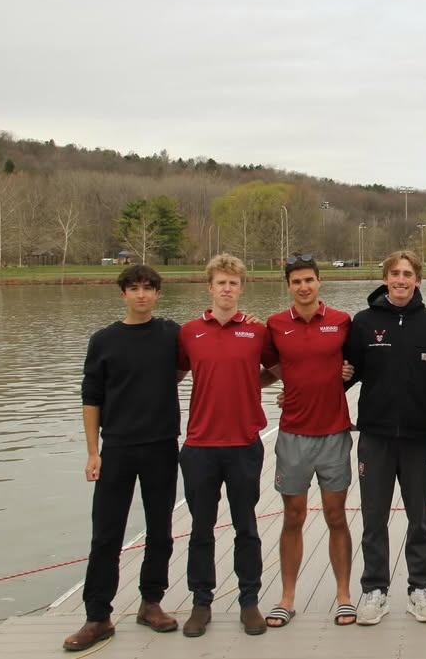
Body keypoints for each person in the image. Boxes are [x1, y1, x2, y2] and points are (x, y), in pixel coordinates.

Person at [64, 266, 181, 652]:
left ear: (159, 294)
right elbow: (91, 398)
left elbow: (205, 353)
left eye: (149, 288)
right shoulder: (104, 340)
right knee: (106, 535)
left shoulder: (171, 335)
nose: (142, 295)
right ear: (123, 295)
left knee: (160, 529)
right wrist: (92, 451)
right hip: (116, 449)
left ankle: (151, 603)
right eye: (134, 289)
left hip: (162, 445)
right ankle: (98, 616)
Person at [345, 250, 426, 625]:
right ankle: (375, 589)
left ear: (418, 280)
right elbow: (347, 372)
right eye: (395, 274)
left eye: (408, 274)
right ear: (385, 278)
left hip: (419, 437)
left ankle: (419, 588)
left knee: (419, 517)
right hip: (374, 436)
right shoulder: (362, 322)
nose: (401, 280)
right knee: (373, 517)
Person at [176, 253, 277, 638]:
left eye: (233, 284)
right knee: (201, 529)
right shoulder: (188, 333)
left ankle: (249, 601)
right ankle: (201, 602)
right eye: (221, 283)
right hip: (200, 445)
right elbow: (173, 374)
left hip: (243, 444)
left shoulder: (257, 332)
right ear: (210, 287)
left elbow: (280, 370)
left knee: (246, 527)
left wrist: (254, 385)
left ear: (241, 288)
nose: (227, 289)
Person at [261, 253, 356, 628]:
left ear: (319, 282)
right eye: (296, 281)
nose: (303, 286)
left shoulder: (341, 322)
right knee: (293, 516)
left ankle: (344, 596)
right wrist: (290, 385)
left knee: (336, 516)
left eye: (309, 280)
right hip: (293, 435)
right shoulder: (274, 325)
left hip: (334, 434)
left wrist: (345, 372)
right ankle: (286, 598)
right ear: (289, 286)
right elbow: (270, 368)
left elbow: (356, 364)